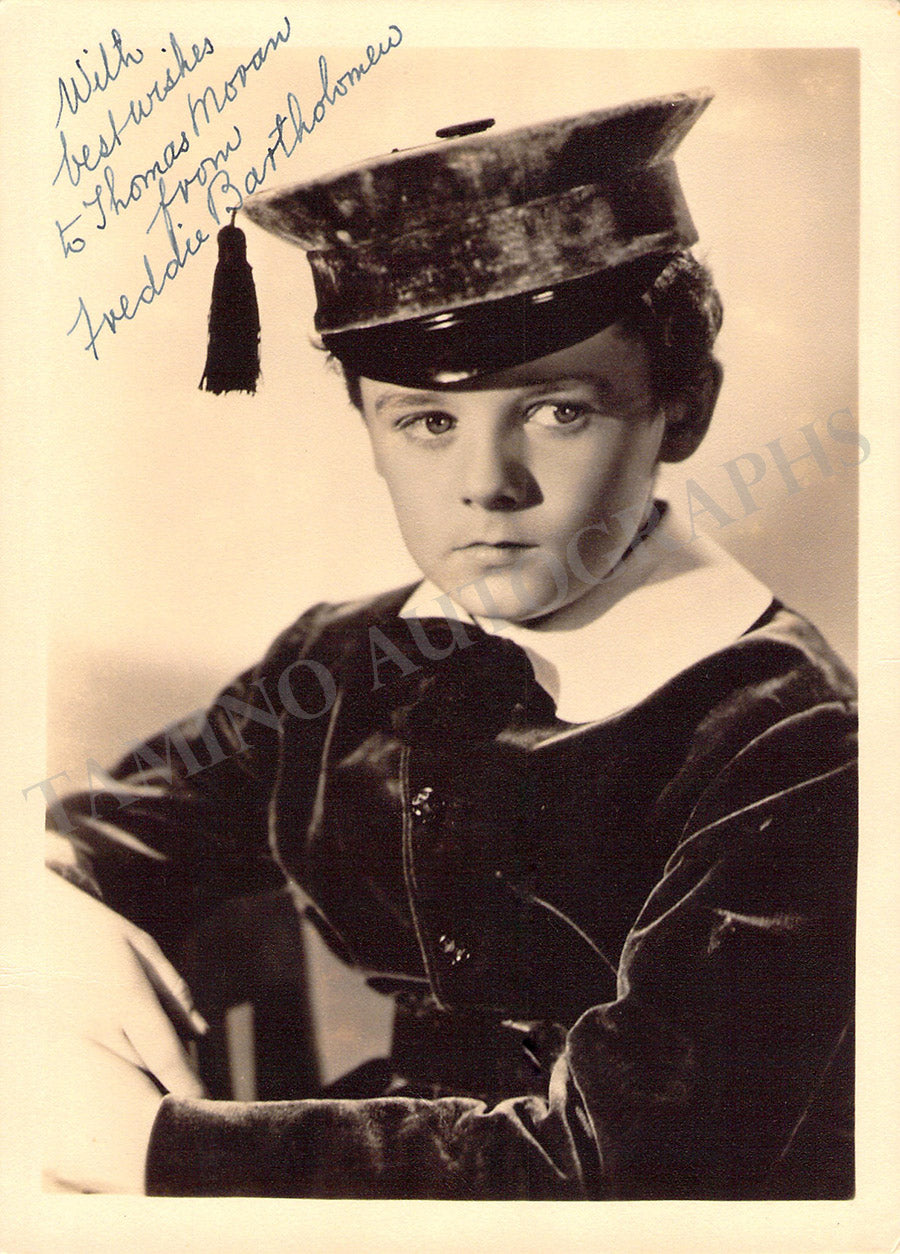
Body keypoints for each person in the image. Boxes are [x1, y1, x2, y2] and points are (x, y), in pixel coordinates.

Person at [44, 91, 856, 1199]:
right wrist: (48, 913)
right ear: (369, 429)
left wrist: (148, 1149)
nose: (487, 484)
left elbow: (623, 1172)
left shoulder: (792, 743)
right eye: (428, 421)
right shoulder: (346, 659)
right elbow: (110, 830)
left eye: (559, 411)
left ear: (685, 407)